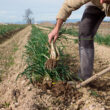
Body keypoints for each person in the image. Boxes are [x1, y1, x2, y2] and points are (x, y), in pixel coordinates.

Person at [48, 0, 110, 80]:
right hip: (95, 6)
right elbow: (67, 5)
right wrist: (56, 28)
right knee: (84, 32)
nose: (101, 1)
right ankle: (85, 76)